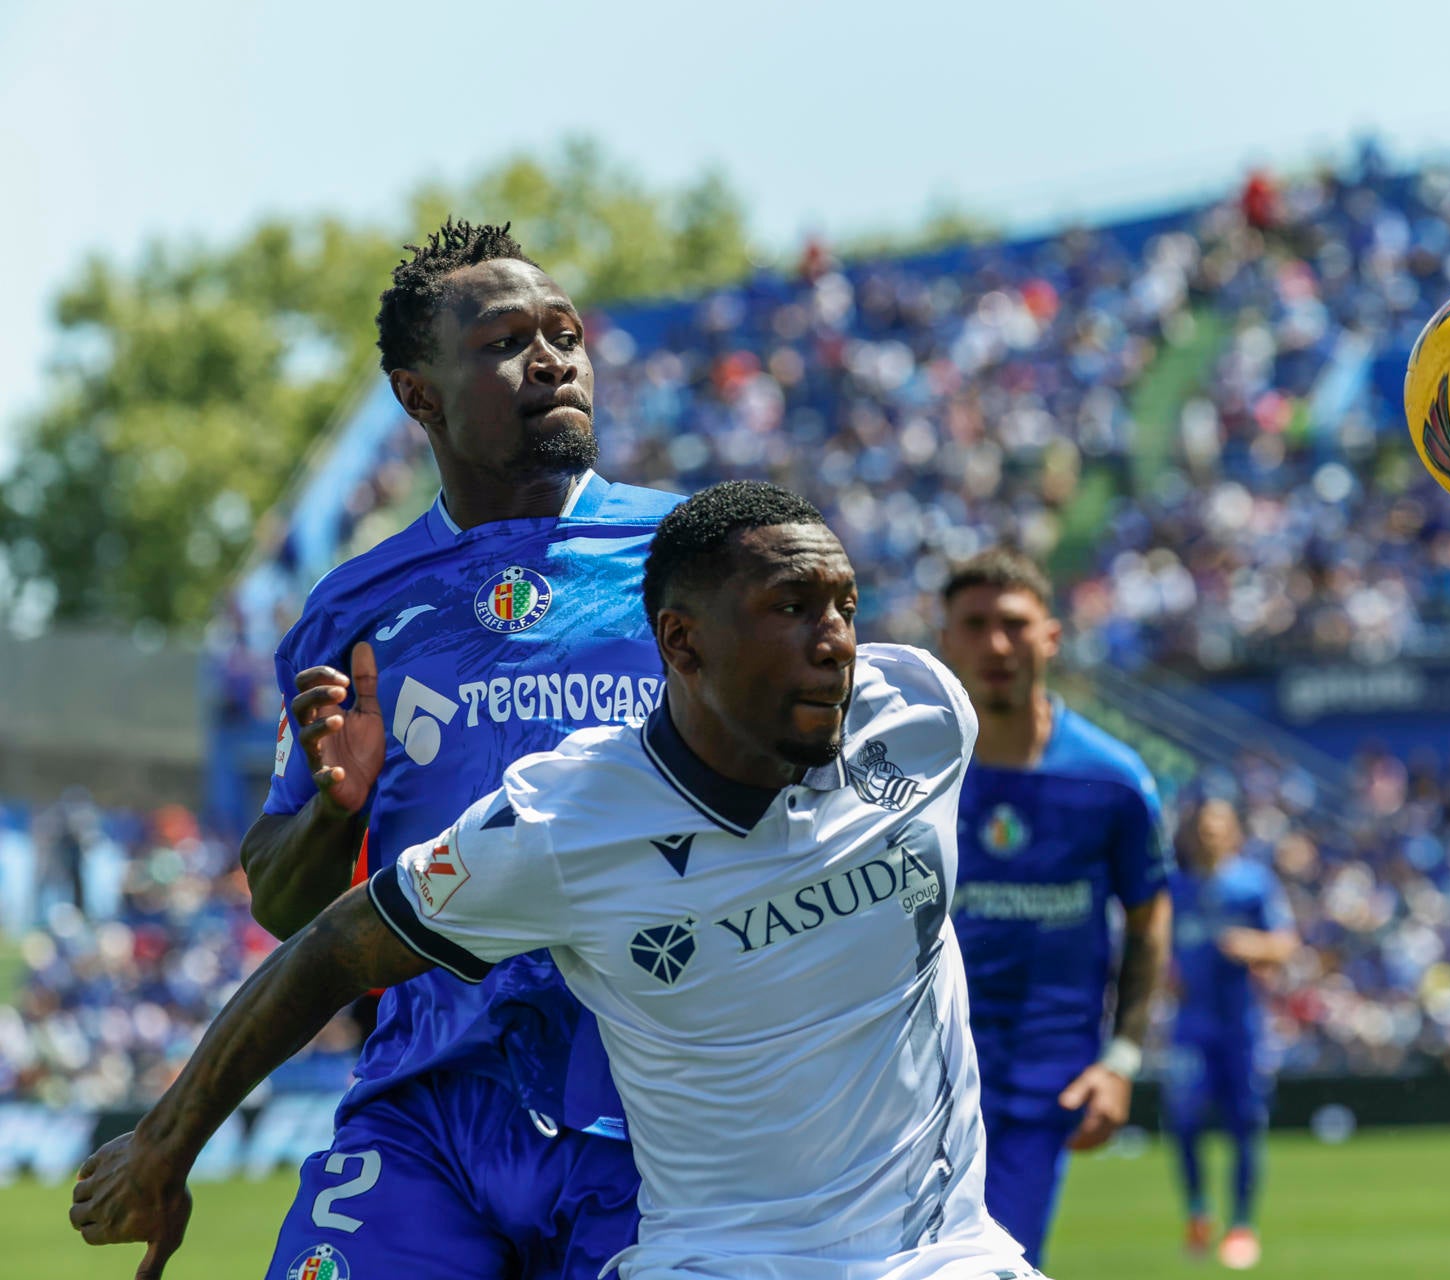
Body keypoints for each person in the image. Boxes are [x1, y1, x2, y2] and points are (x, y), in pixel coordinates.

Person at [72, 481, 1044, 1280]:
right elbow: (331, 942)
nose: (834, 637)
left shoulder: (920, 712)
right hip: (714, 1261)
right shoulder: (564, 820)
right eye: (791, 607)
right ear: (683, 641)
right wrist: (165, 1140)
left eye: (843, 603)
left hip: (945, 1252)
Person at [234, 219, 680, 1280]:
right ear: (418, 394)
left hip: (656, 1113)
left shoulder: (695, 559)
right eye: (504, 340)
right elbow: (279, 898)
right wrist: (335, 810)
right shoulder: (353, 604)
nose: (553, 358)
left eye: (564, 333)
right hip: (425, 1111)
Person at [937, 549, 1170, 1266]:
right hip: (917, 1072)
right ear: (945, 642)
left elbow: (1148, 917)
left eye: (1013, 624)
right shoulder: (908, 770)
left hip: (1046, 1074)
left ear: (1051, 638)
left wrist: (1123, 1059)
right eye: (975, 625)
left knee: (996, 1261)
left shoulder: (1113, 781)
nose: (996, 645)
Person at [1165, 797, 1297, 1270]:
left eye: (1218, 827)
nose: (1209, 835)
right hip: (1191, 1023)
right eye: (1202, 827)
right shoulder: (1176, 887)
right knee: (1182, 1121)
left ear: (1233, 832)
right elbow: (1156, 943)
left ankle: (1242, 1225)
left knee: (1246, 1123)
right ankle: (1198, 1210)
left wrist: (1251, 945)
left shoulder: (1253, 883)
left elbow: (1285, 945)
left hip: (1241, 1023)